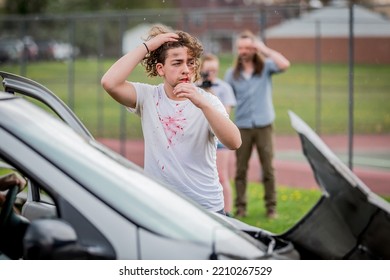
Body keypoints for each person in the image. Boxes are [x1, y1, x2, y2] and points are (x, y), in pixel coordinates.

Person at [101, 24, 241, 213]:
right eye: (177, 63)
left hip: (206, 207)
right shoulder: (148, 96)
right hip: (160, 206)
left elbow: (234, 142)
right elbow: (109, 83)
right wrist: (148, 46)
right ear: (161, 69)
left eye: (190, 62)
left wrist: (203, 104)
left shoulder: (208, 102)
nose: (186, 70)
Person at [224, 30, 290, 219]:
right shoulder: (231, 74)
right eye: (240, 48)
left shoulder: (266, 67)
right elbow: (228, 99)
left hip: (264, 125)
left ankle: (271, 208)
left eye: (247, 47)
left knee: (268, 168)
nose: (243, 51)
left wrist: (263, 48)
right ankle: (241, 208)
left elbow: (285, 64)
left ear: (253, 49)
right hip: (242, 126)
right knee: (240, 170)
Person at [198, 53, 236, 216]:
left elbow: (225, 114)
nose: (211, 74)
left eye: (214, 70)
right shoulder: (193, 87)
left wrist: (211, 93)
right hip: (200, 138)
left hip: (219, 140)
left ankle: (227, 212)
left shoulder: (224, 88)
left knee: (222, 176)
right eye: (207, 71)